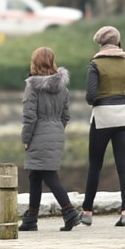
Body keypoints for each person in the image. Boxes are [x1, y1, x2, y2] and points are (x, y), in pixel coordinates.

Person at [79, 25, 125, 227]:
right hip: (124, 118)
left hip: (102, 118)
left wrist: (103, 99)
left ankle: (87, 211)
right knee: (123, 166)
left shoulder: (95, 64)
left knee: (95, 165)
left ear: (100, 42)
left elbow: (90, 97)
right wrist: (121, 98)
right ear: (117, 41)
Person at [18, 46, 82, 232]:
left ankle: (70, 213)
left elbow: (29, 116)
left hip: (38, 134)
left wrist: (26, 138)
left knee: (49, 176)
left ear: (35, 62)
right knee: (35, 176)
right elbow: (66, 115)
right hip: (56, 133)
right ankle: (31, 218)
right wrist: (56, 129)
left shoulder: (32, 87)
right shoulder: (63, 88)